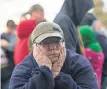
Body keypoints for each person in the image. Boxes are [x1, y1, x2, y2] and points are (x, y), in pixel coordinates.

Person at [9, 22, 98, 89]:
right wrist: (45, 73)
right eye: (45, 42)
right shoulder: (24, 67)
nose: (52, 47)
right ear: (35, 47)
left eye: (56, 41)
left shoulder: (78, 63)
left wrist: (58, 77)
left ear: (63, 43)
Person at [1, 20, 17, 89]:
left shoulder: (14, 36)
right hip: (5, 67)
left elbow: (14, 47)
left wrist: (7, 45)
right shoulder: (2, 36)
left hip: (10, 67)